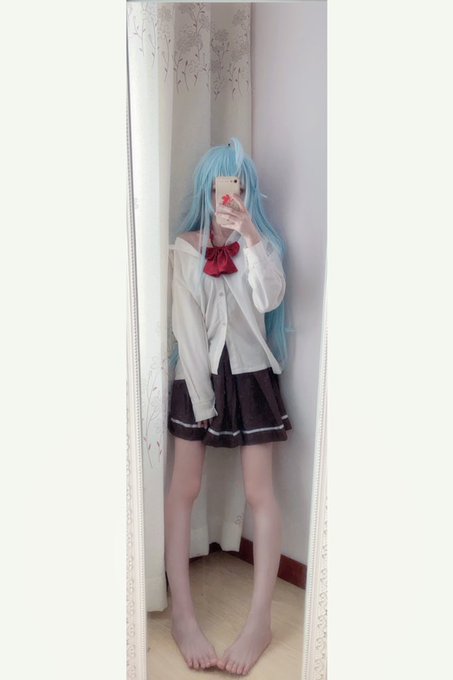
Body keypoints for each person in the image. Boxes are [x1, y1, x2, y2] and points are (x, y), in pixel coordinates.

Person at [165, 137, 292, 676]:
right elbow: (187, 330)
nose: (228, 195)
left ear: (246, 190)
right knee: (184, 487)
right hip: (198, 375)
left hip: (250, 375)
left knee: (261, 492)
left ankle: (260, 620)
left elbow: (271, 299)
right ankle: (183, 614)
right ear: (207, 188)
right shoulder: (186, 248)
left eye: (237, 185)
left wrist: (252, 236)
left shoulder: (259, 246)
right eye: (221, 184)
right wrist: (200, 398)